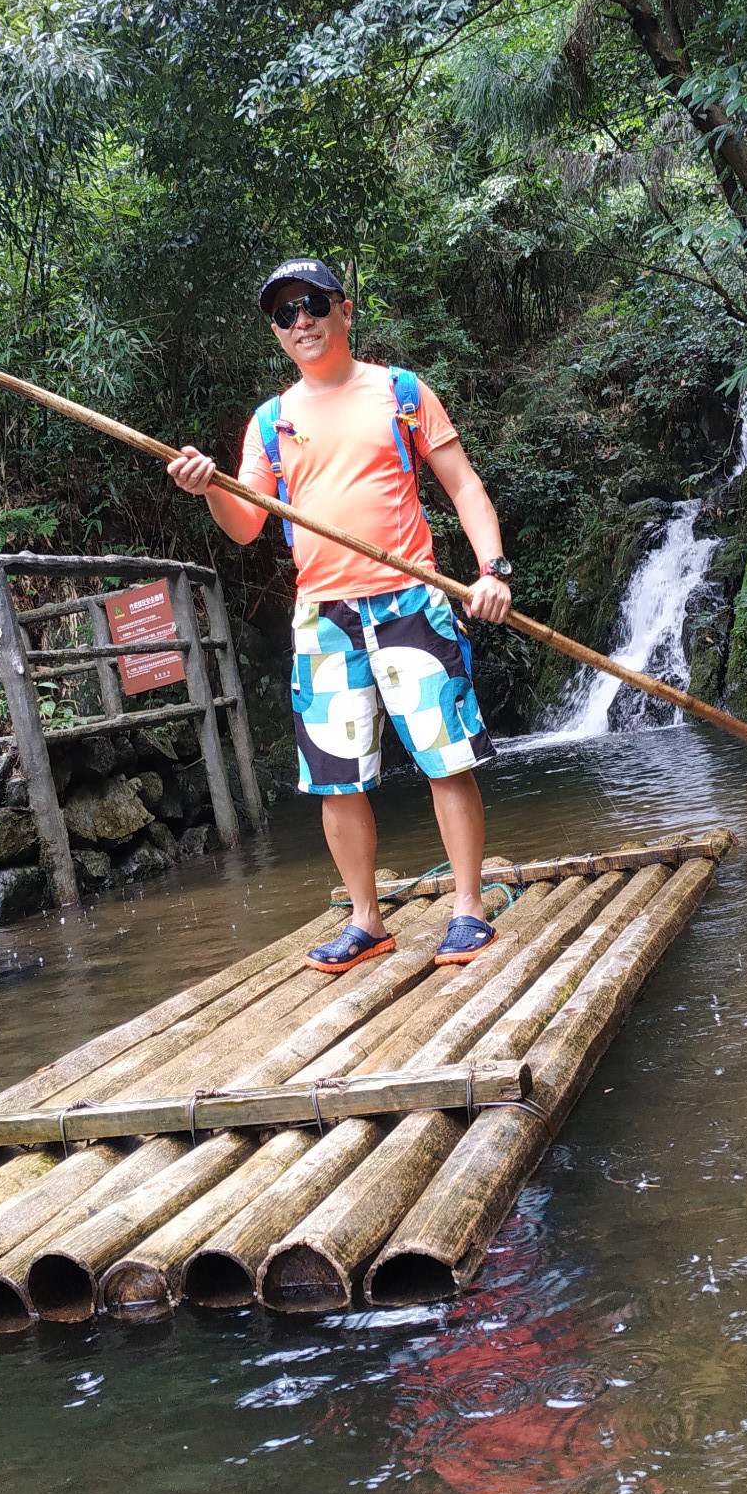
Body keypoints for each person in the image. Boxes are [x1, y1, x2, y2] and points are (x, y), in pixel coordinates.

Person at [167, 258, 514, 972]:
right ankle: (365, 921)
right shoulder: (272, 422)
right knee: (336, 776)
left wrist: (491, 570)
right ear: (276, 330)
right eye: (287, 313)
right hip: (323, 616)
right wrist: (208, 488)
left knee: (446, 760)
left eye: (314, 304)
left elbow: (465, 486)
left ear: (344, 310)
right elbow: (243, 527)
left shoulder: (403, 394)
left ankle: (469, 910)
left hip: (410, 601)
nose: (303, 321)